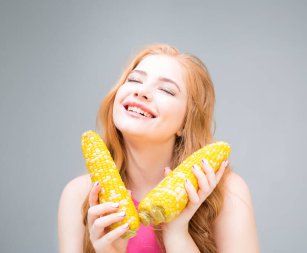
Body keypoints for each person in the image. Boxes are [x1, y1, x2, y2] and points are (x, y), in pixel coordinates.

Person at [58, 44, 260, 253]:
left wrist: (177, 234)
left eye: (165, 90)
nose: (141, 91)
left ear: (185, 123)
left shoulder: (226, 193)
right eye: (134, 79)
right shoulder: (78, 195)